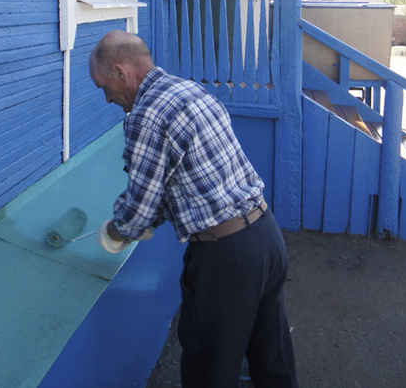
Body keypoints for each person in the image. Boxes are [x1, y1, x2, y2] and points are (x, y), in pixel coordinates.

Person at [89, 29, 297, 388]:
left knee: (208, 371)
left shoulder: (146, 115)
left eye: (104, 87)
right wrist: (151, 217)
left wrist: (114, 232)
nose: (107, 98)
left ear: (120, 72)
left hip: (225, 258)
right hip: (265, 236)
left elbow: (139, 210)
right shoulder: (189, 90)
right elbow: (175, 181)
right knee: (271, 359)